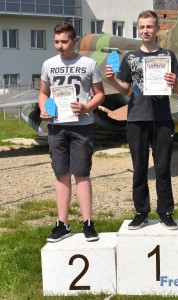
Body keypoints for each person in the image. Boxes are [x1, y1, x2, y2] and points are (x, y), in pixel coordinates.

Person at [105, 10, 178, 230]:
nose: (145, 31)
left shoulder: (168, 55)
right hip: (137, 118)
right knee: (139, 168)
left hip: (162, 119)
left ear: (157, 29)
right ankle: (141, 213)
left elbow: (177, 89)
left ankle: (166, 212)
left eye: (149, 27)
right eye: (142, 27)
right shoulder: (130, 57)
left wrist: (173, 81)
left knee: (162, 168)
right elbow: (126, 90)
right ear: (138, 29)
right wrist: (112, 81)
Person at [38, 22, 105, 242]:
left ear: (74, 42)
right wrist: (43, 109)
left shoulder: (89, 63)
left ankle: (87, 222)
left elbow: (99, 94)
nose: (59, 46)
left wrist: (87, 107)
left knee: (82, 173)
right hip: (57, 126)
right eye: (56, 41)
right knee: (61, 174)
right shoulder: (48, 64)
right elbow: (43, 93)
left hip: (82, 126)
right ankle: (62, 223)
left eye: (64, 41)